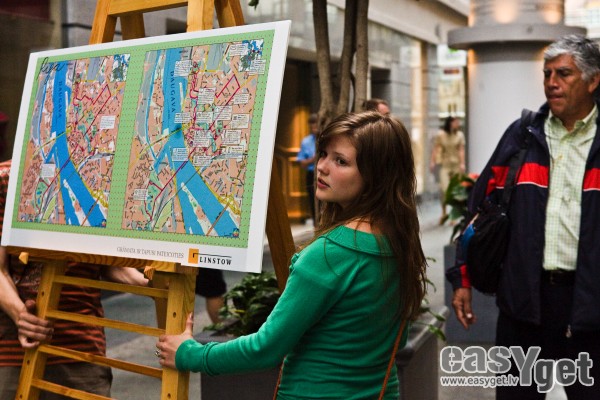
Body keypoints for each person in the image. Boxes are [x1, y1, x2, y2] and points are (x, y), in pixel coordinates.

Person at [156, 111, 427, 399]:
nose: (322, 167)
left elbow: (265, 348)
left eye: (341, 161)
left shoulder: (329, 255)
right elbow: (395, 344)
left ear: (377, 176)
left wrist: (189, 354)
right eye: (324, 154)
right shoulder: (399, 243)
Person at [447, 34, 600, 399]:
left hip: (591, 308)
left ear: (593, 80)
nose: (551, 83)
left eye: (563, 73)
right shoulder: (522, 136)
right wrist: (462, 279)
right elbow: (479, 211)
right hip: (524, 304)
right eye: (547, 74)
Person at [0, 159, 149, 399]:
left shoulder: (101, 180)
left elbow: (109, 263)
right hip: (13, 349)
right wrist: (21, 316)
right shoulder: (7, 178)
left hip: (80, 346)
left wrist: (147, 283)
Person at [429, 116, 466, 224]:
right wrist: (432, 161)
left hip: (456, 165)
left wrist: (462, 163)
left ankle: (453, 216)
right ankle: (444, 212)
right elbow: (436, 149)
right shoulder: (441, 135)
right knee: (444, 189)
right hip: (445, 164)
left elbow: (461, 150)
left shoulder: (460, 135)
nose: (457, 124)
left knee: (455, 191)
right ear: (450, 123)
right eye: (455, 122)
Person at [296, 113, 318, 223]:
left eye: (316, 126)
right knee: (313, 201)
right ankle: (316, 226)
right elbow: (302, 164)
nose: (314, 129)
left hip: (328, 173)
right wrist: (313, 159)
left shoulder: (329, 138)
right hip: (311, 175)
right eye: (312, 127)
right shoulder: (306, 142)